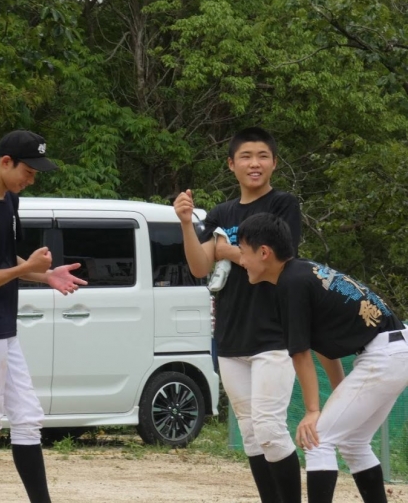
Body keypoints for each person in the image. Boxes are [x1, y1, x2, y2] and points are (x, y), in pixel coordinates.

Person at [0, 129, 87, 503]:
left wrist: (44, 275)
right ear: (5, 162)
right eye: (28, 171)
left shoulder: (8, 200)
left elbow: (1, 259)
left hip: (1, 325)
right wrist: (25, 269)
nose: (31, 179)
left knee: (27, 417)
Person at [237, 212, 408, 503]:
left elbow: (300, 353)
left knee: (317, 439)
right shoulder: (302, 273)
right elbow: (323, 347)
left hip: (384, 356)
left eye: (243, 252)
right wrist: (339, 392)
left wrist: (313, 411)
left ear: (264, 252)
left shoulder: (290, 284)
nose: (241, 260)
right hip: (393, 351)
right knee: (353, 442)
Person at [174, 127, 302, 502]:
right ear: (232, 164)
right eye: (246, 156)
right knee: (250, 432)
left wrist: (225, 248)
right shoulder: (221, 213)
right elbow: (199, 267)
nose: (254, 163)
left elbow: (274, 257)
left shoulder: (283, 205)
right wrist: (186, 223)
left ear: (274, 163)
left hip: (274, 334)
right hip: (231, 336)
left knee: (270, 429)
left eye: (262, 156)